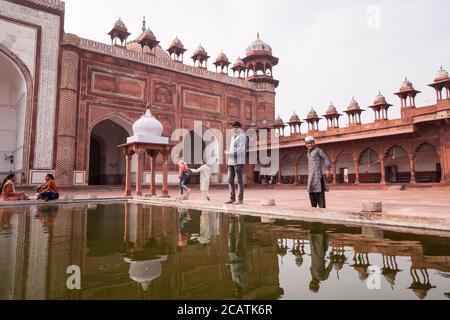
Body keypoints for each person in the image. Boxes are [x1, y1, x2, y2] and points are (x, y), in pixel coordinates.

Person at [305, 136, 331, 208]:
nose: (309, 145)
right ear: (306, 144)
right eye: (307, 143)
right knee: (311, 193)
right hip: (311, 176)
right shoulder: (308, 153)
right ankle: (313, 210)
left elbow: (325, 158)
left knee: (319, 193)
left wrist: (328, 169)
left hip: (317, 175)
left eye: (311, 143)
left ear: (314, 143)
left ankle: (322, 210)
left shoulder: (318, 150)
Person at [225, 121, 246, 205]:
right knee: (230, 180)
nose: (234, 129)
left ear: (239, 128)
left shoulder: (242, 136)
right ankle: (232, 198)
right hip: (231, 162)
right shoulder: (233, 137)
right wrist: (229, 153)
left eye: (236, 127)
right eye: (233, 127)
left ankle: (240, 199)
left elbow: (241, 149)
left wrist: (229, 153)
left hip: (238, 162)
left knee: (239, 180)